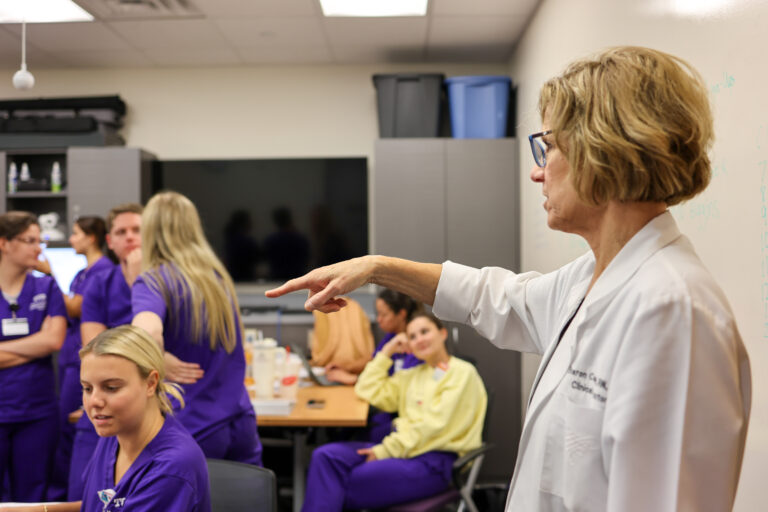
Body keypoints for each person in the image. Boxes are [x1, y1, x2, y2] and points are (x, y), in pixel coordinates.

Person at [267, 46, 752, 511]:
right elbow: (491, 296)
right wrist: (376, 267)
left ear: (602, 154)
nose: (537, 174)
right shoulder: (593, 277)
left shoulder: (672, 311)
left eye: (549, 148)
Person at [8, 325, 212, 512]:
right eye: (87, 388)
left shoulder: (170, 468)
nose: (94, 401)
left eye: (111, 388)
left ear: (150, 383)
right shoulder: (115, 431)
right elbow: (101, 506)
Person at [301, 312, 487, 511]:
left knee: (340, 482)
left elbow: (431, 428)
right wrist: (387, 352)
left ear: (442, 333)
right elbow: (366, 389)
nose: (419, 340)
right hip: (404, 451)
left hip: (434, 461)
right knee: (325, 457)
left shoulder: (461, 373)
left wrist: (385, 451)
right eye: (412, 336)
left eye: (425, 332)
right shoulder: (413, 375)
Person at [132, 191, 262, 465]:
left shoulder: (154, 281)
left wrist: (155, 360)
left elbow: (146, 332)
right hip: (239, 420)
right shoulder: (217, 279)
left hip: (192, 426)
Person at [68, 203, 143, 501]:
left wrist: (139, 282)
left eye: (137, 230)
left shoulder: (167, 282)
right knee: (84, 492)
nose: (129, 238)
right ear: (109, 241)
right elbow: (94, 351)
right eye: (121, 232)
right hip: (101, 408)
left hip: (144, 410)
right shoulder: (100, 282)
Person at [0, 211, 67, 501]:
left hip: (37, 412)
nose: (38, 248)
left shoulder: (47, 286)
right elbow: (43, 340)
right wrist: (33, 345)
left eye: (40, 240)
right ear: (4, 243)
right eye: (29, 240)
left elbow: (54, 340)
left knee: (33, 495)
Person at [45, 216, 111, 501]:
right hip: (71, 359)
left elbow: (74, 308)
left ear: (91, 237)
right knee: (65, 430)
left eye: (75, 234)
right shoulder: (82, 273)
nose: (71, 240)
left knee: (77, 428)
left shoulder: (103, 271)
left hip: (81, 362)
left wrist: (47, 275)